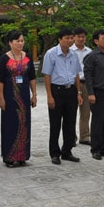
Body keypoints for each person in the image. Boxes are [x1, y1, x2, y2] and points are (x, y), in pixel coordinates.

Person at [42, 28, 83, 165]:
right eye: (67, 38)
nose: (70, 40)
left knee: (70, 123)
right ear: (60, 39)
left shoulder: (73, 55)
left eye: (72, 38)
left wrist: (78, 93)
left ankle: (67, 151)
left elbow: (76, 74)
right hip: (57, 91)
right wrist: (49, 96)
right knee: (55, 124)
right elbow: (47, 75)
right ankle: (55, 153)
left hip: (70, 90)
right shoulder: (51, 54)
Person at [0, 31, 37, 167]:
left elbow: (32, 77)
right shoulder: (4, 59)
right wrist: (1, 98)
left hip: (24, 95)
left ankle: (22, 156)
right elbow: (0, 80)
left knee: (24, 123)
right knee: (10, 124)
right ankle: (9, 156)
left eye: (22, 41)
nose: (20, 43)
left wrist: (34, 94)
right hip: (10, 95)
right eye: (17, 41)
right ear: (10, 42)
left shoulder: (28, 57)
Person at [83, 30, 104, 160]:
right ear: (96, 41)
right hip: (98, 92)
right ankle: (96, 149)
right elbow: (88, 76)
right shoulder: (92, 56)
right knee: (97, 121)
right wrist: (90, 93)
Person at [70, 27, 92, 146]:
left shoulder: (89, 51)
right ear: (74, 37)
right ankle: (71, 137)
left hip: (86, 83)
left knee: (86, 112)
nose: (81, 39)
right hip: (73, 84)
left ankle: (84, 136)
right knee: (71, 112)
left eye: (83, 36)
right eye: (78, 36)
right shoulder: (69, 50)